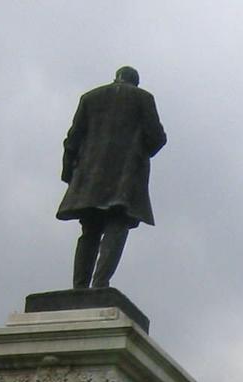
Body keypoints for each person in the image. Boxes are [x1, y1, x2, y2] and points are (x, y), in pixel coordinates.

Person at [57, 66, 166, 289]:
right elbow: (157, 137)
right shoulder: (143, 99)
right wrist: (139, 151)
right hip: (124, 176)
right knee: (117, 225)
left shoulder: (90, 98)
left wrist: (69, 174)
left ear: (115, 78)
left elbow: (72, 139)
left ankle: (79, 287)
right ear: (135, 82)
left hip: (89, 177)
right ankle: (100, 283)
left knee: (89, 230)